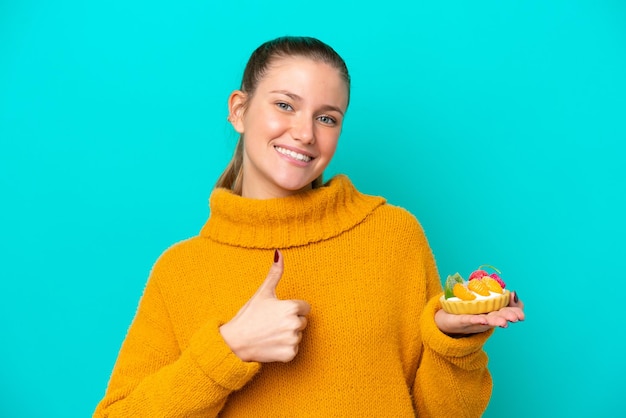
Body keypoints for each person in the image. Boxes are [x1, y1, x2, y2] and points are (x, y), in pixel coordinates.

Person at [94, 36, 525, 417]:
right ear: (239, 111)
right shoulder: (180, 271)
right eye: (285, 105)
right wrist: (228, 350)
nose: (305, 133)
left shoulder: (393, 237)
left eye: (327, 118)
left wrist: (454, 345)